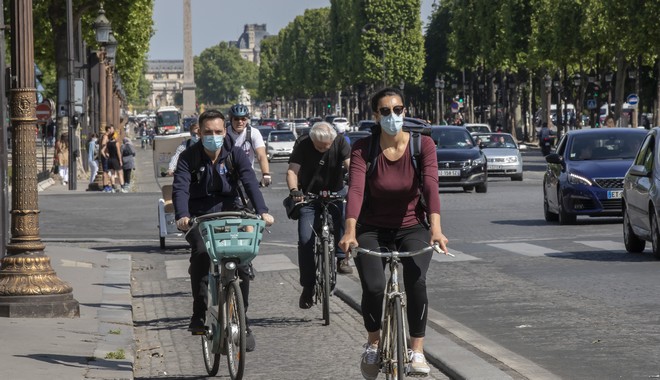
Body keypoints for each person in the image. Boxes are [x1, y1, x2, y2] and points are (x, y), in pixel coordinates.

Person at [338, 87, 449, 379]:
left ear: (405, 111)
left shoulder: (422, 145)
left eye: (397, 110)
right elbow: (357, 190)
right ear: (376, 116)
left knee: (416, 281)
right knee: (374, 286)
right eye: (385, 111)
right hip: (371, 228)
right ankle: (374, 343)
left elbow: (430, 187)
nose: (392, 116)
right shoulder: (364, 148)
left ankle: (418, 351)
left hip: (412, 226)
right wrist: (350, 231)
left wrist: (436, 229)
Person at [172, 109, 274, 352]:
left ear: (225, 131)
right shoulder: (189, 157)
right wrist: (183, 216)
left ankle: (243, 317)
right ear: (200, 132)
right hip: (200, 216)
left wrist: (262, 210)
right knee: (200, 252)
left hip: (232, 210)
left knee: (242, 259)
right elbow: (180, 188)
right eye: (208, 132)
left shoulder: (235, 154)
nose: (213, 136)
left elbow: (249, 181)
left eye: (218, 132)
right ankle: (198, 312)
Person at [286, 121, 353, 310]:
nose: (323, 149)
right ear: (312, 140)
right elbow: (292, 170)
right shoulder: (303, 143)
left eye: (327, 146)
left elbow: (351, 167)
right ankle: (308, 287)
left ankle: (342, 258)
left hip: (335, 192)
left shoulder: (340, 142)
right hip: (309, 195)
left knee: (342, 218)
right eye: (319, 147)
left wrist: (356, 187)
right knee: (305, 239)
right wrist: (294, 190)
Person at [226, 104, 271, 187]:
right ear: (231, 120)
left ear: (247, 120)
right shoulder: (225, 133)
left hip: (246, 174)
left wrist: (266, 174)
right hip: (228, 175)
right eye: (236, 119)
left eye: (243, 119)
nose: (240, 122)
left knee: (255, 198)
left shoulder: (254, 133)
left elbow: (261, 155)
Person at [104, 127, 127, 193]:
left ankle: (113, 188)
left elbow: (106, 152)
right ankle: (122, 187)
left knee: (112, 174)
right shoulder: (116, 143)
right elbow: (118, 152)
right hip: (115, 159)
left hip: (110, 160)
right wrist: (120, 160)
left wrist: (107, 155)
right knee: (120, 173)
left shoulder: (108, 143)